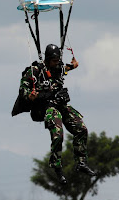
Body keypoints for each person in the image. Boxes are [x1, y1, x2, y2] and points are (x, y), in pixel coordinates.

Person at [12, 44, 96, 184]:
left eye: (58, 60)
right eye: (54, 60)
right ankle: (57, 167)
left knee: (81, 129)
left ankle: (81, 162)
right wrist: (30, 96)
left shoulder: (58, 67)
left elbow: (67, 68)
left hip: (61, 104)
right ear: (48, 59)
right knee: (58, 134)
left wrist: (74, 65)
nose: (57, 63)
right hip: (46, 107)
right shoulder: (35, 71)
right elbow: (23, 89)